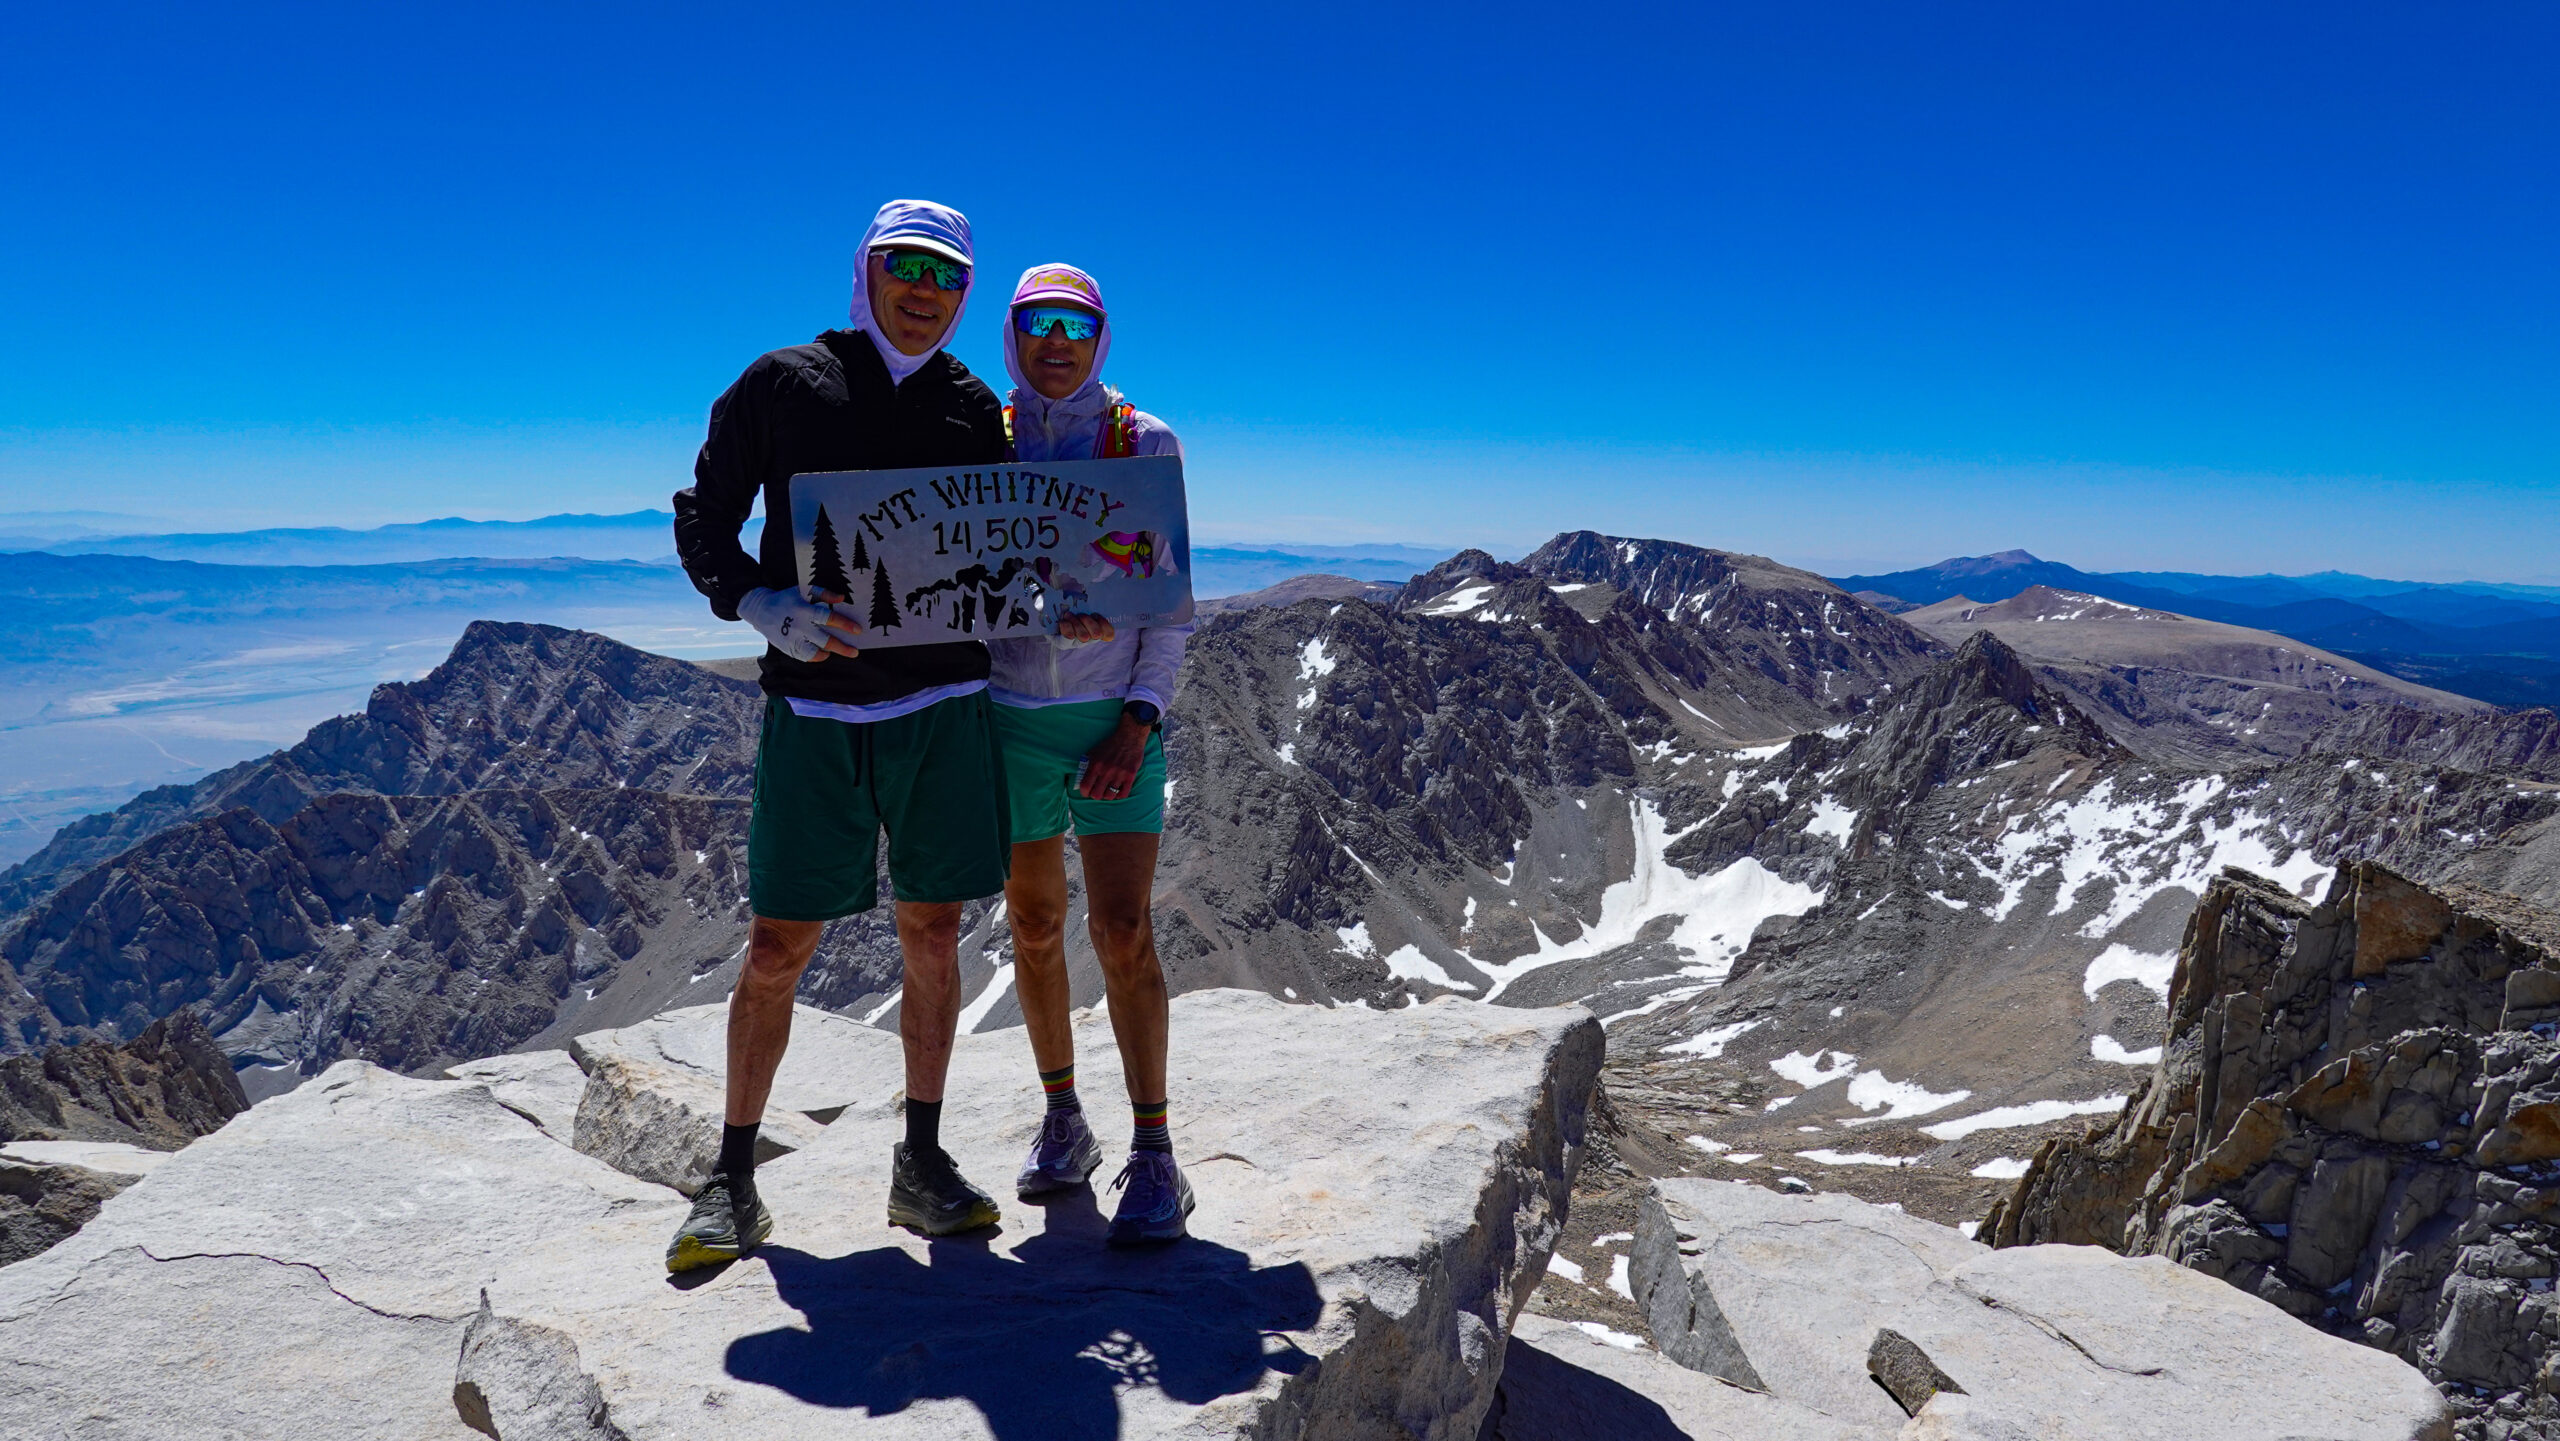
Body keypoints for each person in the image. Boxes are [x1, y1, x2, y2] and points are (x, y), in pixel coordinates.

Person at [664, 199, 1013, 1272]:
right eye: (905, 266)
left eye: (948, 275)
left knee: (933, 934)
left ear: (964, 297)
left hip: (940, 711)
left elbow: (1018, 551)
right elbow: (702, 512)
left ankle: (920, 1162)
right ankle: (728, 1178)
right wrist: (756, 603)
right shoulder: (784, 382)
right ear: (864, 272)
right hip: (815, 712)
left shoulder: (973, 408)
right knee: (779, 947)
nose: (925, 290)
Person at [982, 263, 1196, 1246]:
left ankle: (1155, 1151)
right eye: (1036, 324)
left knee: (1120, 929)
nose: (1055, 342)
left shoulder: (1143, 444)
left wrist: (1140, 716)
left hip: (1115, 716)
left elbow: (1168, 600)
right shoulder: (986, 442)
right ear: (1013, 336)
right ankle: (1064, 1118)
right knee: (1031, 921)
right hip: (1012, 713)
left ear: (1100, 338)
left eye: (1075, 324)